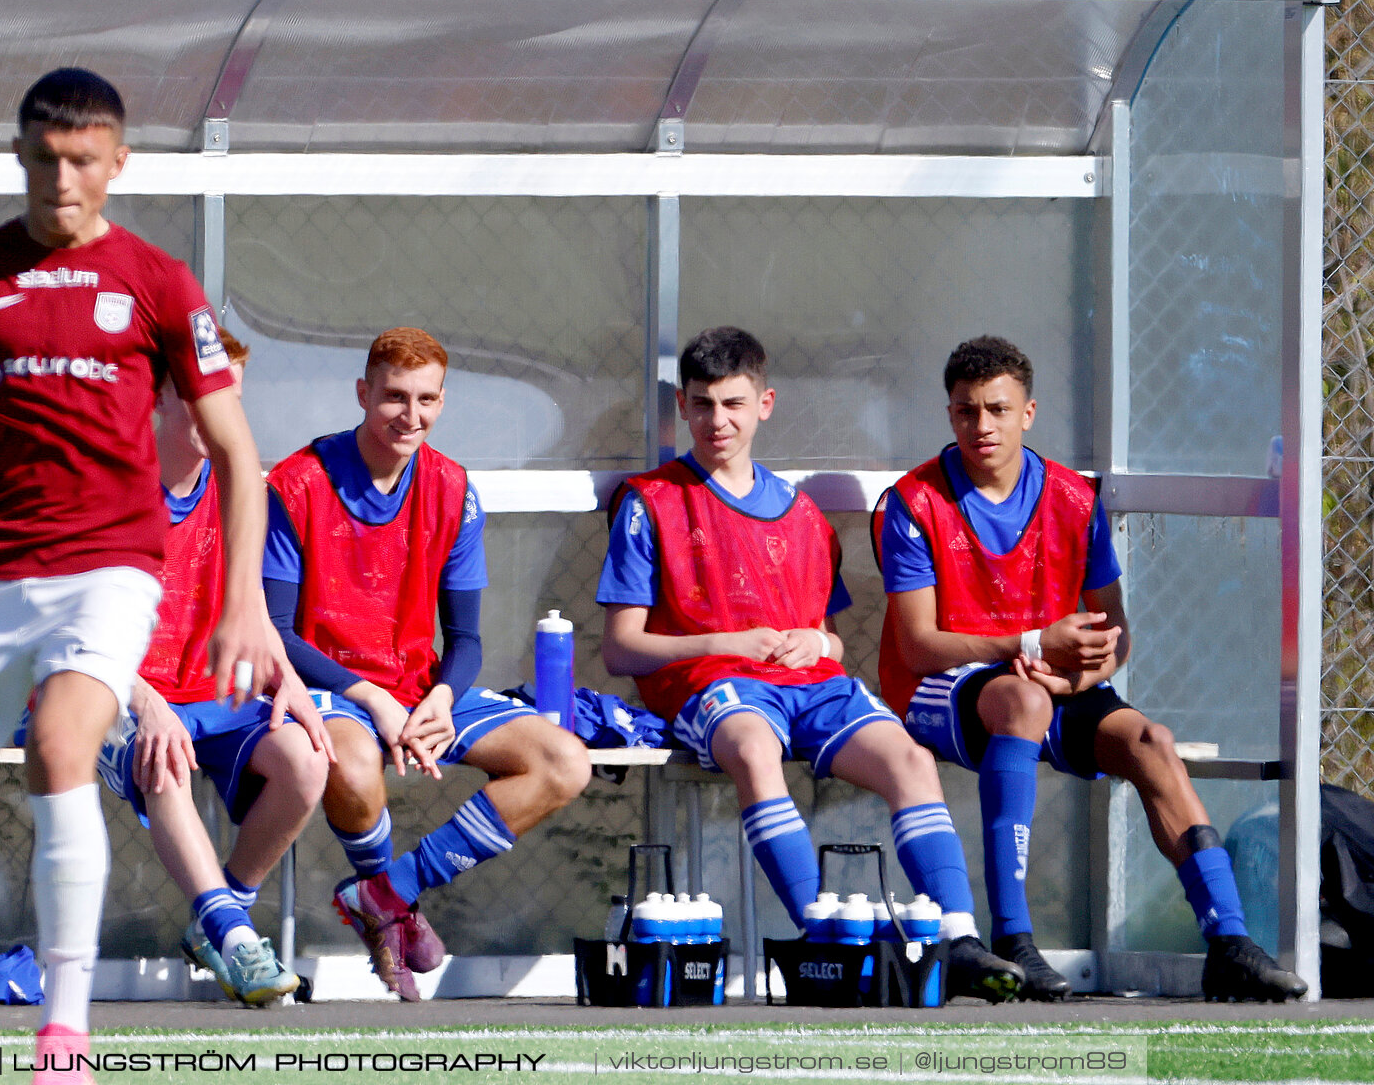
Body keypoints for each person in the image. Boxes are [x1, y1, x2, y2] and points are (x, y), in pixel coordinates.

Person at [0, 68, 319, 1082]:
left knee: (66, 746)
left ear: (117, 164)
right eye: (44, 158)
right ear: (20, 159)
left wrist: (247, 601)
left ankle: (64, 1033)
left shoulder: (159, 283)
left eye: (84, 159)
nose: (63, 178)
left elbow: (238, 452)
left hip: (108, 569)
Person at [875, 334, 1307, 1002]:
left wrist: (1077, 674)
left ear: (1030, 412)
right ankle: (1014, 940)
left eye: (996, 409)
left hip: (1049, 681)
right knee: (1022, 703)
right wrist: (1028, 644)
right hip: (945, 688)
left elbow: (1116, 628)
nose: (981, 426)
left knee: (1152, 742)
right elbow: (916, 646)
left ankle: (1229, 942)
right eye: (965, 411)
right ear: (950, 413)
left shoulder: (1075, 500)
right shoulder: (914, 502)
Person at [598, 326, 1023, 1003]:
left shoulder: (802, 514)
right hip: (718, 686)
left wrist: (816, 645)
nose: (718, 420)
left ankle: (959, 938)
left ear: (765, 403)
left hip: (813, 687)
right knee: (752, 747)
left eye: (734, 403)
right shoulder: (651, 502)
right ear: (683, 406)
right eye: (704, 404)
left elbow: (832, 641)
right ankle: (825, 937)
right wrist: (723, 644)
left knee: (909, 760)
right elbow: (619, 648)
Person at [263, 327, 592, 1002]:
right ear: (362, 393)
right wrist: (376, 701)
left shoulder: (453, 488)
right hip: (329, 686)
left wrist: (441, 696)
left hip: (418, 686)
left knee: (565, 761)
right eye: (393, 397)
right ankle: (388, 911)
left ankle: (388, 893)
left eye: (426, 400)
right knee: (351, 763)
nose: (409, 416)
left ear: (443, 402)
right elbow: (275, 634)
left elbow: (465, 638)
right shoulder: (296, 484)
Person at [94, 327, 330, 1008]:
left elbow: (250, 609)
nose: (216, 409)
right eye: (198, 393)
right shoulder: (111, 487)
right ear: (155, 398)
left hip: (208, 686)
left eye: (228, 395)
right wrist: (146, 703)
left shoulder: (240, 488)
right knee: (164, 756)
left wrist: (287, 676)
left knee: (308, 758)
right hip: (109, 686)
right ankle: (234, 939)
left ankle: (222, 918)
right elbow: (75, 625)